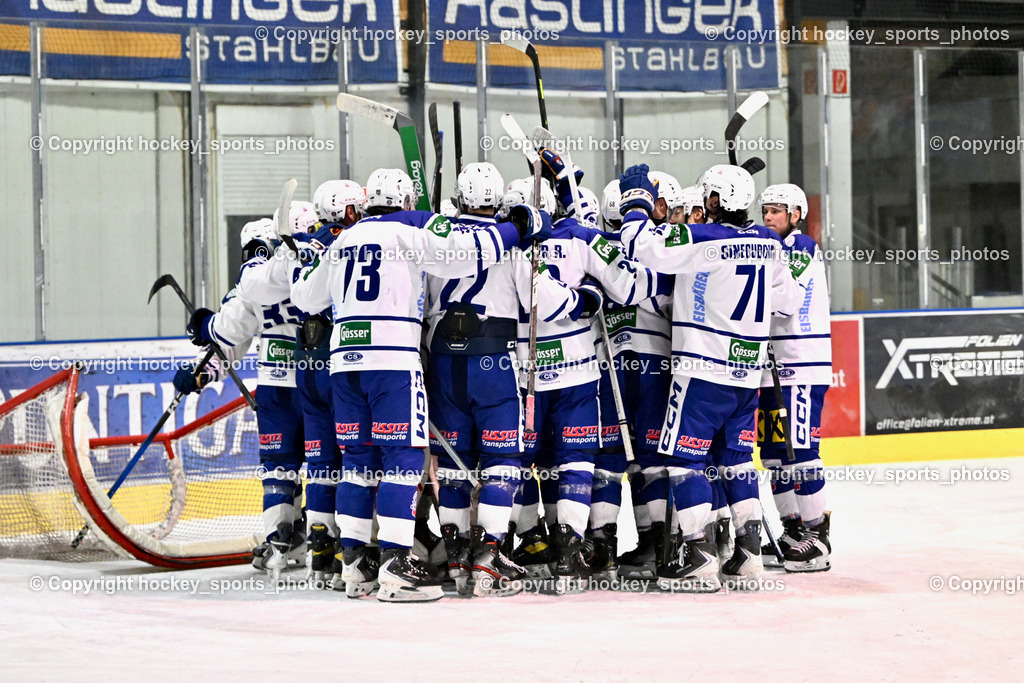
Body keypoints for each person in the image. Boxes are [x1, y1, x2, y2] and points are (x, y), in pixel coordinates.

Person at [290, 168, 552, 603]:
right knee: (404, 458)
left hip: (343, 363)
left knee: (357, 461)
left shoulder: (342, 240)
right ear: (408, 202)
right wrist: (519, 227)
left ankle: (356, 563)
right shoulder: (410, 228)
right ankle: (396, 564)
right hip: (393, 360)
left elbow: (304, 299)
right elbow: (468, 253)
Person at [618, 163, 803, 592]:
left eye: (708, 199)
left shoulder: (703, 238)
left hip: (702, 370)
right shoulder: (770, 244)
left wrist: (637, 202)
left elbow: (642, 247)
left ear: (717, 201)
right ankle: (748, 554)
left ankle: (698, 555)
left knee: (684, 461)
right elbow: (787, 301)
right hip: (746, 374)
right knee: (737, 462)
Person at [424, 162, 591, 597]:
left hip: (442, 362)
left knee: (454, 466)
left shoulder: (434, 239)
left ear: (459, 200)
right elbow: (549, 304)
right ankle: (489, 559)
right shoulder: (510, 245)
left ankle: (458, 557)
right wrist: (582, 298)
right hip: (493, 362)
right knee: (502, 462)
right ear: (497, 203)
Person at [507, 149, 660, 594]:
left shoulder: (508, 243)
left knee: (516, 461)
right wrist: (591, 293)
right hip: (578, 369)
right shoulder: (583, 237)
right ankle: (573, 551)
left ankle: (533, 540)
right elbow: (628, 288)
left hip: (523, 374)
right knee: (576, 461)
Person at [174, 204, 316, 579]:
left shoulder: (254, 285)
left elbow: (229, 334)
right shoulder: (311, 271)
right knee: (325, 465)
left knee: (278, 468)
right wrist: (203, 372)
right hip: (320, 382)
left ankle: (280, 540)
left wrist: (203, 353)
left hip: (276, 389)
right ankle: (326, 541)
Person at [757, 183, 832, 573]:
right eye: (765, 211)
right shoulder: (770, 248)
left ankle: (817, 537)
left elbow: (786, 303)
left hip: (801, 364)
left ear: (796, 215)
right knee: (774, 456)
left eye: (776, 211)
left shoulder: (801, 247)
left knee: (800, 452)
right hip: (771, 368)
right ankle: (792, 530)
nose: (768, 217)